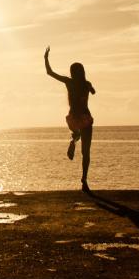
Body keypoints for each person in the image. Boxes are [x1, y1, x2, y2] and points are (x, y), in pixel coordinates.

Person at [44, 46, 96, 192]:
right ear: (83, 72)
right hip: (85, 118)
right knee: (86, 152)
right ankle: (84, 180)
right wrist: (90, 87)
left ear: (72, 73)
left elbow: (50, 73)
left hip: (73, 118)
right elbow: (93, 92)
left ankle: (73, 140)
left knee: (77, 133)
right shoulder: (86, 84)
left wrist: (46, 58)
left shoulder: (69, 82)